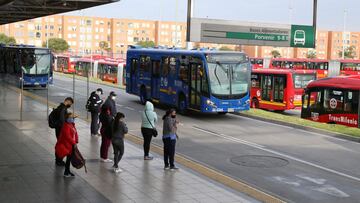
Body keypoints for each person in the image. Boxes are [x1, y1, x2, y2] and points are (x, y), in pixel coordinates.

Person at [55, 112, 79, 177]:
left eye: (72, 117)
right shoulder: (66, 126)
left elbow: (75, 133)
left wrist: (76, 141)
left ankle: (67, 171)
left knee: (68, 159)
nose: (72, 118)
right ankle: (66, 172)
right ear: (66, 118)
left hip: (71, 145)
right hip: (67, 145)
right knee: (68, 159)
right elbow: (68, 136)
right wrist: (74, 143)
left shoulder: (71, 124)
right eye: (70, 117)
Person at [54, 97, 74, 166]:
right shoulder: (63, 108)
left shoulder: (60, 107)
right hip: (61, 130)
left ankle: (58, 159)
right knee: (61, 145)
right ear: (67, 101)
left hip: (58, 129)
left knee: (59, 144)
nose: (70, 105)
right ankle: (59, 160)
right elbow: (62, 120)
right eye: (70, 103)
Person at [99, 91, 117, 162]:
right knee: (106, 143)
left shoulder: (108, 102)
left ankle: (103, 156)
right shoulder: (108, 105)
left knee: (104, 143)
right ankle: (104, 157)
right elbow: (109, 118)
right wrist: (112, 119)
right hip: (107, 129)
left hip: (104, 128)